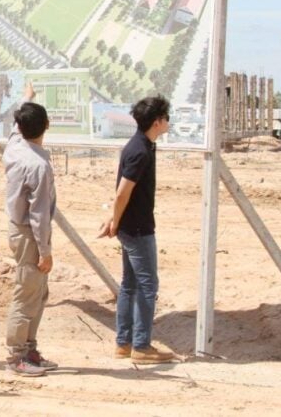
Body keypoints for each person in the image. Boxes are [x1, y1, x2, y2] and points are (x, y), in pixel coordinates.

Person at [98, 95, 176, 364]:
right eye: (166, 118)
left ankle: (124, 343)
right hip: (138, 229)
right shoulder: (140, 150)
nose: (168, 122)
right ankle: (141, 346)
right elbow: (123, 193)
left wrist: (115, 219)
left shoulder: (140, 146)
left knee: (130, 285)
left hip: (132, 226)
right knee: (147, 285)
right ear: (157, 122)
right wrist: (115, 220)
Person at [3, 102, 58, 376]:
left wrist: (27, 97)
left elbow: (15, 131)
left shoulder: (15, 148)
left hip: (20, 230)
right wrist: (45, 251)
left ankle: (29, 349)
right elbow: (39, 214)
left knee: (38, 293)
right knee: (27, 294)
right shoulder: (38, 165)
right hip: (30, 235)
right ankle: (16, 356)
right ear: (47, 125)